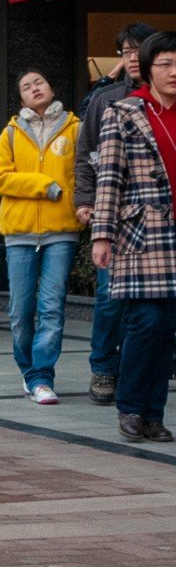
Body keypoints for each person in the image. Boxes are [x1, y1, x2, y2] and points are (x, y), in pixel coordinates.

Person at [91, 30, 176, 443]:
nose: (174, 72)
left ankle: (154, 415)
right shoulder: (125, 112)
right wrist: (101, 235)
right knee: (146, 321)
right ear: (148, 68)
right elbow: (109, 179)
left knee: (168, 328)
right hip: (143, 233)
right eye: (165, 64)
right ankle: (130, 407)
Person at [0, 70, 79, 406]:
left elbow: (83, 172)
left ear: (51, 87)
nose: (34, 88)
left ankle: (42, 376)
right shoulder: (12, 133)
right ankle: (27, 369)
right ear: (22, 99)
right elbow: (0, 178)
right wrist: (43, 185)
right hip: (20, 232)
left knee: (52, 307)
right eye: (26, 87)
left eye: (39, 82)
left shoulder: (75, 128)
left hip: (61, 230)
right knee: (20, 310)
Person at [77, 22, 154, 406]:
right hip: (118, 216)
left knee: (157, 303)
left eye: (140, 50)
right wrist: (85, 200)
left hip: (160, 219)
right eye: (126, 52)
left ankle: (145, 369)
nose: (133, 58)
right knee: (110, 298)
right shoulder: (105, 100)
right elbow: (86, 157)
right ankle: (104, 367)